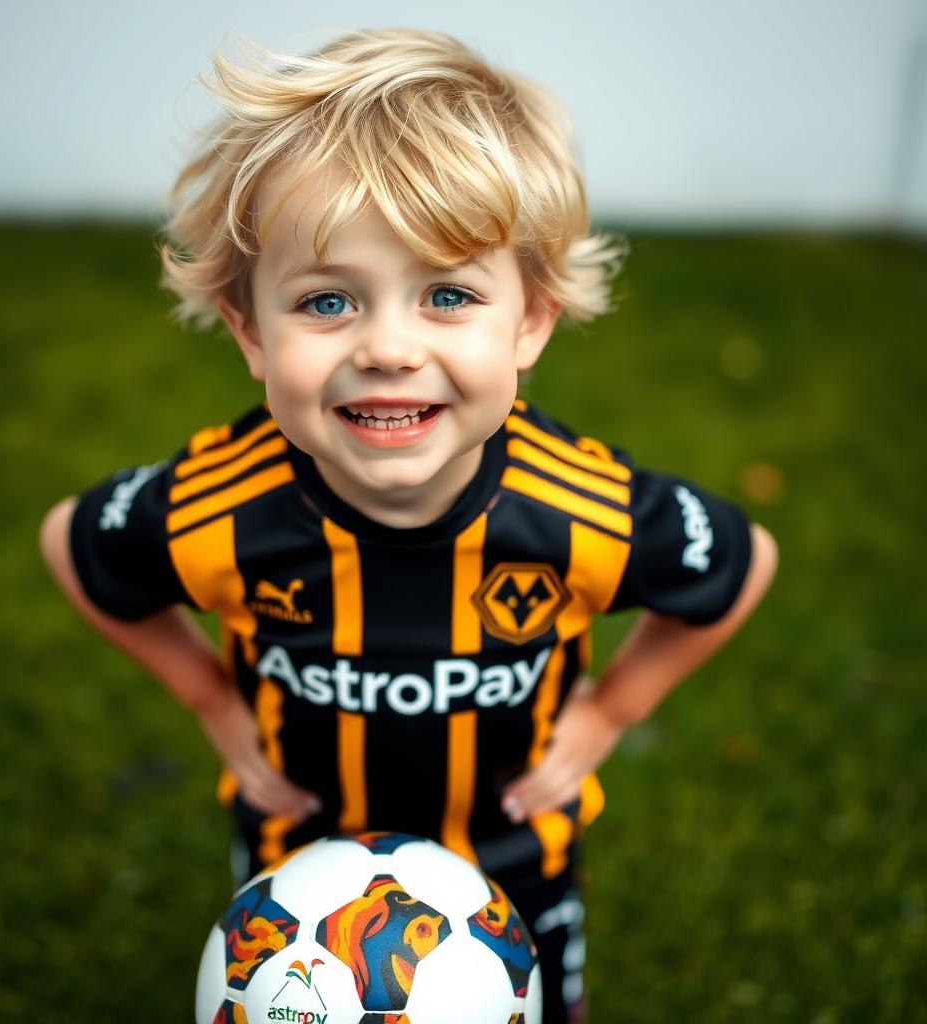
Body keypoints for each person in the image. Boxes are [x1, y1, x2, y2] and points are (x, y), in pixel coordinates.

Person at [39, 29, 777, 1022]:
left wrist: (611, 711)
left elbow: (742, 564)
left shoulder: (578, 512)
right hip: (292, 868)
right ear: (250, 329)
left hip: (515, 861)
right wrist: (212, 704)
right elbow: (72, 545)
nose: (388, 347)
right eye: (328, 300)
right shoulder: (217, 507)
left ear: (529, 321)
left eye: (447, 295)